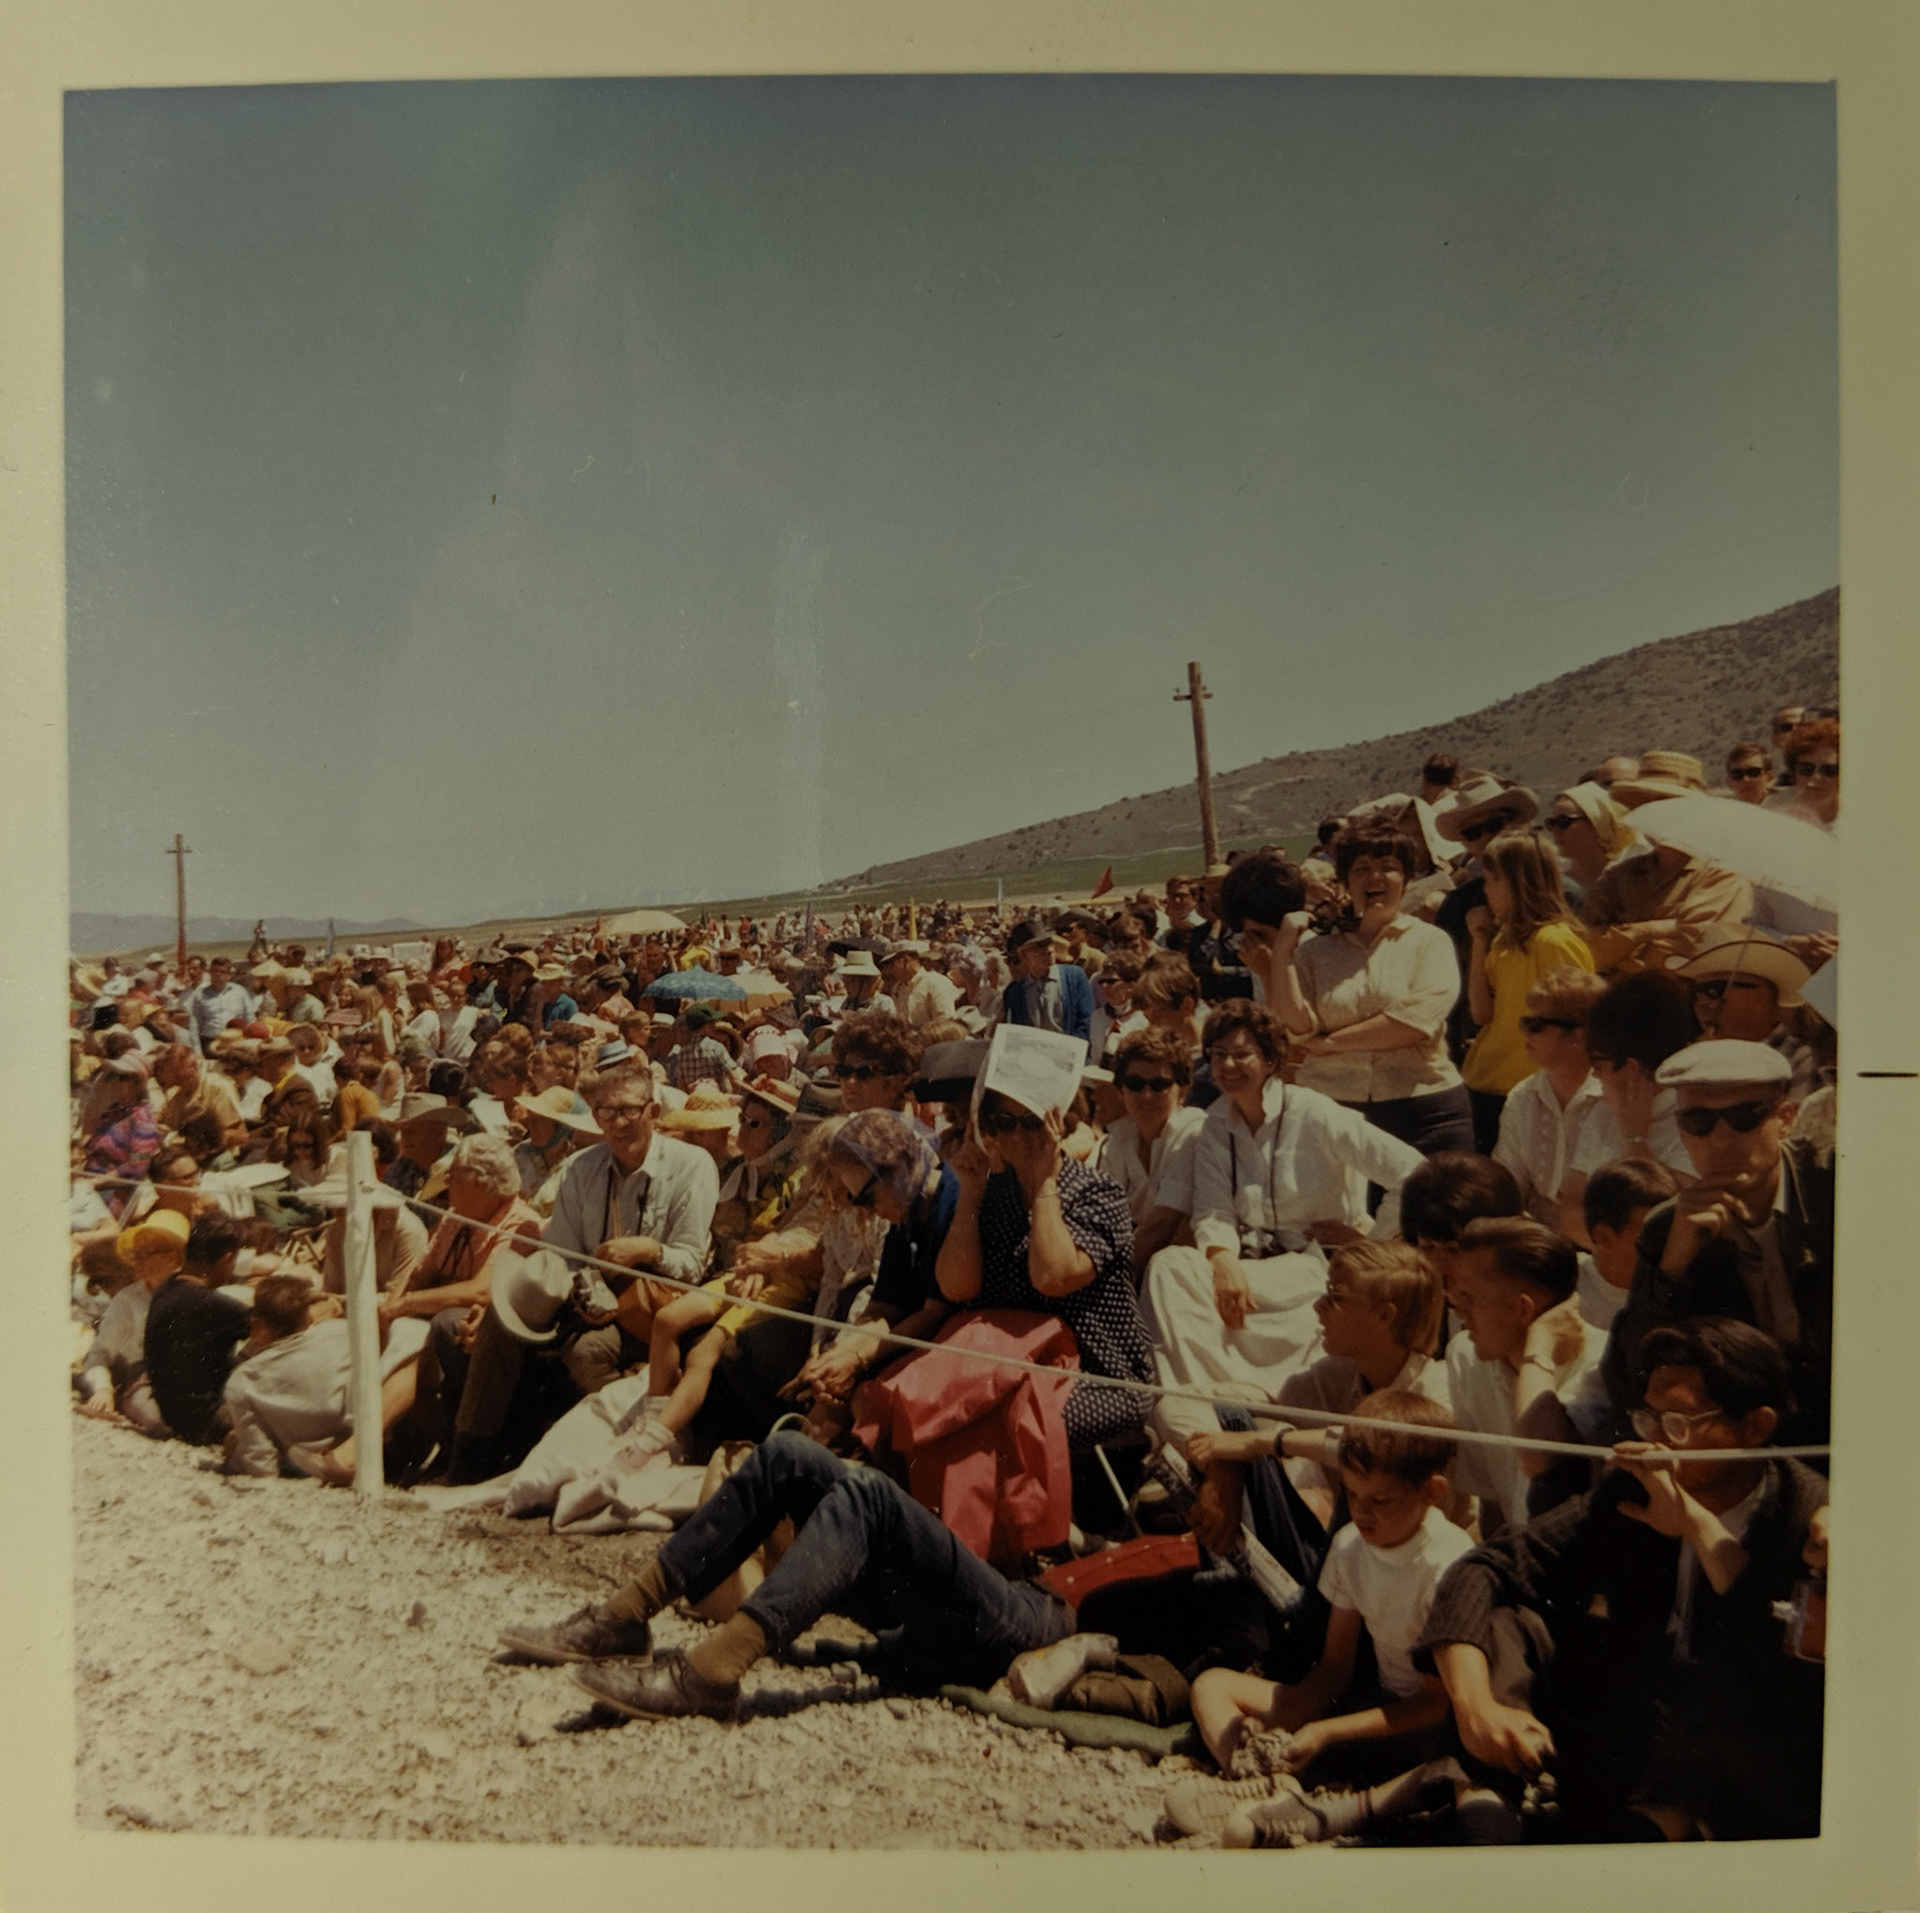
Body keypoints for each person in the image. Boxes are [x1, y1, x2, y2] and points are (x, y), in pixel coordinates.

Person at [1417, 1317, 1826, 1842]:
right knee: (1507, 1620)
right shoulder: (1632, 1489)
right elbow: (1486, 1566)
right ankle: (1484, 1809)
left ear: (1757, 1427)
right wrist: (1476, 1707)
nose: (1654, 1442)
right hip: (1634, 1716)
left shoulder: (1806, 1515)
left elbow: (1772, 1665)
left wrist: (1695, 1524)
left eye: (1678, 1423)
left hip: (1736, 1750)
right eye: (1648, 1418)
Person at [495, 1428, 1077, 1719]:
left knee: (870, 1496)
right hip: (1000, 1597)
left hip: (1039, 1617)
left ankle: (715, 1672)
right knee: (790, 1452)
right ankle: (624, 1616)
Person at [1175, 1392, 1471, 1834]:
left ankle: (1275, 1785)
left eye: (1381, 1500)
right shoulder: (1351, 1545)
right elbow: (1334, 1668)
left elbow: (1437, 1702)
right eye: (1351, 1494)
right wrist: (1292, 1722)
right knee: (1212, 1685)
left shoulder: (1448, 1564)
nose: (1362, 1512)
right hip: (1371, 1703)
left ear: (1431, 1492)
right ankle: (1263, 1775)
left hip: (1428, 1728)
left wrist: (1327, 1732)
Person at [1142, 1001, 1424, 1461]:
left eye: (1242, 1054)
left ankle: (1238, 1411)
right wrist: (1221, 1258)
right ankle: (1203, 1412)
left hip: (1311, 1268)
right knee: (1170, 1266)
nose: (1228, 1066)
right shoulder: (1215, 1123)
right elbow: (1212, 1209)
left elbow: (1413, 1173)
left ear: (1272, 1059)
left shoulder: (1315, 1112)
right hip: (1248, 1269)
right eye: (1217, 1055)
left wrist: (1371, 1244)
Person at [1598, 1039, 1830, 1446]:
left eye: (1745, 1117)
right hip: (1745, 1446)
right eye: (1699, 1121)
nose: (1721, 1139)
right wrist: (1672, 1267)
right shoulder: (1669, 1225)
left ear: (1786, 1118)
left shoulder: (1837, 1197)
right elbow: (1629, 1382)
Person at [938, 1083, 1150, 1451]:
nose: (1018, 1134)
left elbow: (1053, 1277)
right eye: (1004, 1122)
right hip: (1008, 1370)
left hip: (1098, 1375)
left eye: (1033, 1121)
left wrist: (1045, 1182)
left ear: (1061, 1123)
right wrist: (970, 1192)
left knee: (1007, 1423)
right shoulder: (991, 1194)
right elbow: (957, 1287)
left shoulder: (1097, 1192)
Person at [1264, 829, 1474, 1158]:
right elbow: (1296, 1028)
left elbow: (1413, 1023)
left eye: (1388, 866)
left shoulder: (1430, 942)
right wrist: (1282, 953)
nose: (1375, 877)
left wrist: (1331, 1043)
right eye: (1361, 868)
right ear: (1346, 881)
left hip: (1424, 1112)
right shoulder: (1314, 952)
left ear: (1406, 879)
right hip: (1332, 1110)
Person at [1445, 1217, 1607, 1533]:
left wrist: (1540, 1345)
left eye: (1469, 1297)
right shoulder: (1466, 1356)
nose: (1456, 1309)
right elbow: (1492, 1504)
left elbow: (1541, 1462)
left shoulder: (1600, 1368)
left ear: (1523, 1309)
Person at [1460, 827, 1595, 1153]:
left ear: (1514, 883)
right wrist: (1479, 941)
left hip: (1529, 1088)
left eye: (1491, 880)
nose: (1486, 890)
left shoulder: (1554, 941)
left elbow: (1578, 1023)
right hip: (1486, 1080)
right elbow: (1480, 1012)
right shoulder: (1504, 941)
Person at [1579, 758, 1755, 974]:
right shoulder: (1617, 876)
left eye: (1670, 809)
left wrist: (1621, 950)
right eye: (1647, 808)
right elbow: (1585, 950)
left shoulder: (1723, 878)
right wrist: (1650, 930)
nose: (1658, 818)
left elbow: (1692, 956)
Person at [1490, 968, 1607, 1228]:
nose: (1526, 1033)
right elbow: (1508, 1187)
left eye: (1536, 1025)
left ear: (1578, 1035)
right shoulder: (1522, 1097)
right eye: (1525, 1023)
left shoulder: (1612, 1099)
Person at [1094, 1026, 1204, 1282]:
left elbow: (1162, 1224)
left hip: (1182, 1269)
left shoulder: (1194, 1133)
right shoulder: (1116, 1142)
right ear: (1121, 1090)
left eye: (1159, 1085)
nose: (1146, 1095)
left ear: (1183, 1090)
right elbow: (1103, 1219)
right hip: (1135, 1262)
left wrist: (1105, 1282)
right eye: (1134, 1084)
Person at [142, 1213, 257, 1446]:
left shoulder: (167, 1288)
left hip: (176, 1417)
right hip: (209, 1422)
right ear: (228, 1258)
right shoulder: (209, 1305)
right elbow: (277, 1324)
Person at [75, 1209, 192, 1433]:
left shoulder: (193, 1295)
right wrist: (103, 1389)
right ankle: (122, 1398)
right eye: (136, 1252)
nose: (137, 1258)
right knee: (159, 1421)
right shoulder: (128, 1299)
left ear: (173, 1257)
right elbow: (99, 1354)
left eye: (146, 1253)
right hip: (141, 1377)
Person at [996, 920, 1094, 1049]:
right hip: (1035, 1063)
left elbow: (1086, 1023)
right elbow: (1018, 1035)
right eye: (1038, 946)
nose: (1048, 950)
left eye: (1049, 943)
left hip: (1071, 1059)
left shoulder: (1074, 977)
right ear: (1023, 955)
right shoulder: (1015, 992)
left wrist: (1067, 1054)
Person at [1724, 741, 1771, 805]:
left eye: (1753, 772)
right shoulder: (1723, 813)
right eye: (1737, 774)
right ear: (1729, 782)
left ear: (1769, 777)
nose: (1745, 779)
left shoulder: (1784, 810)